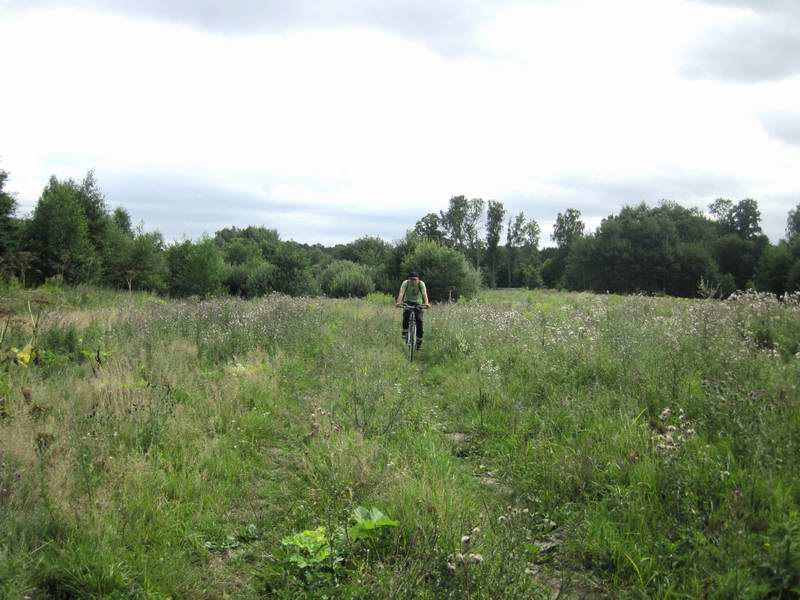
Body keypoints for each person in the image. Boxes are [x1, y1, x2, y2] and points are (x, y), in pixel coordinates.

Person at [395, 271, 430, 350]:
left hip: (418, 303)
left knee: (419, 320)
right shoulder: (405, 283)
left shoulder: (421, 284)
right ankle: (404, 332)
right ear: (408, 279)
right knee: (406, 314)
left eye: (414, 279)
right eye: (411, 279)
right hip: (408, 301)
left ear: (418, 280)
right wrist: (398, 302)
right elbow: (401, 293)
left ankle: (418, 343)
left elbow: (424, 294)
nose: (413, 281)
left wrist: (426, 303)